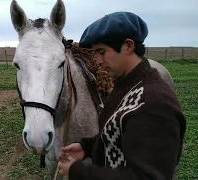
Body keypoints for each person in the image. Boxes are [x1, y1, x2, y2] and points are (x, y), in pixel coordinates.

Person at [57, 11, 187, 179]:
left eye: (101, 52)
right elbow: (121, 132)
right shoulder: (126, 85)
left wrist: (78, 171)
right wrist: (88, 147)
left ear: (128, 46)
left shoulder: (155, 104)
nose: (96, 61)